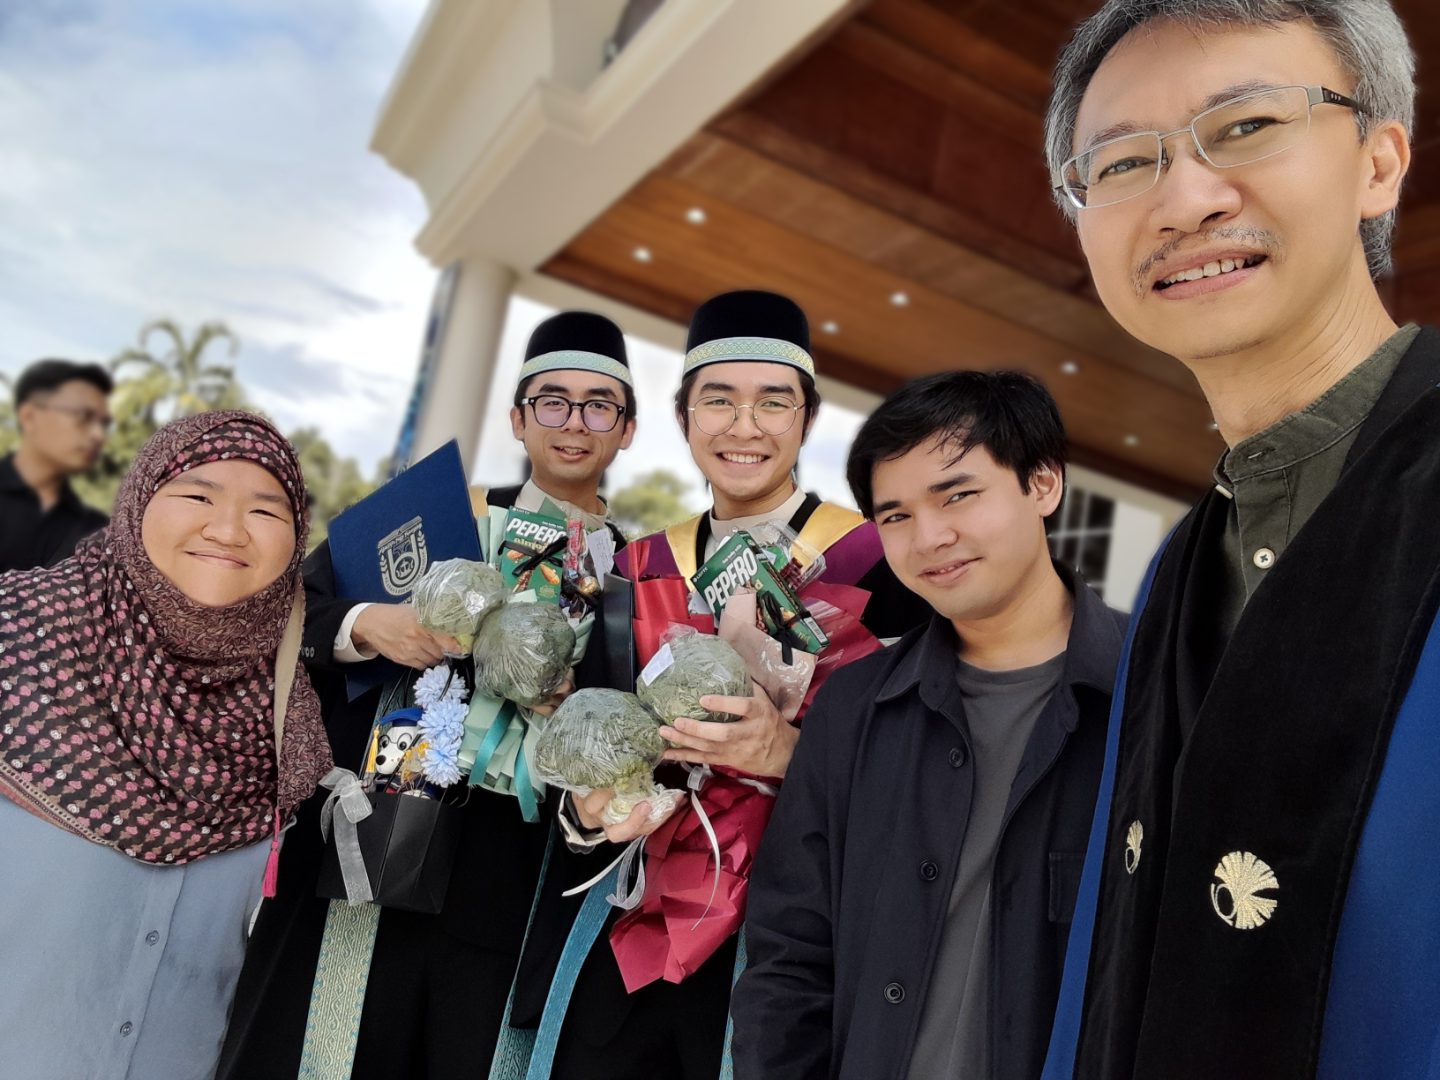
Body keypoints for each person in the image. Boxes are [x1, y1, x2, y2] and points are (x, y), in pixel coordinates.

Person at [1035, 3, 1438, 1077]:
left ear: (1379, 162)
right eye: (1123, 162)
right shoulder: (1182, 562)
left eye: (1248, 126)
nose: (1185, 199)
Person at [219, 310, 640, 1080]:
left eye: (599, 406)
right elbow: (281, 609)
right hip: (375, 828)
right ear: (518, 418)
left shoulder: (636, 578)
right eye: (552, 401)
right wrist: (371, 624)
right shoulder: (436, 515)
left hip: (520, 869)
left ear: (628, 429)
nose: (575, 423)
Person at [535, 289, 932, 1080]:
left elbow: (927, 767)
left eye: (773, 402)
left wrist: (789, 752)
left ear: (807, 419)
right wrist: (588, 810)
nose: (744, 428)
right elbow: (590, 744)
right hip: (633, 929)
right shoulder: (637, 567)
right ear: (684, 418)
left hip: (796, 943)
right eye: (718, 400)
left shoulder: (883, 567)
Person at [730, 370, 1126, 1080]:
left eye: (958, 495)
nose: (930, 538)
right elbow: (788, 954)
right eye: (896, 517)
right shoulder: (855, 707)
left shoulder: (1155, 694)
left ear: (1043, 484)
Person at [0, 410, 332, 1080]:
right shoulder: (17, 637)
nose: (229, 530)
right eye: (198, 495)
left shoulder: (291, 717)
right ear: (138, 499)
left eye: (266, 510)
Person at [1, 358, 112, 573]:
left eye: (103, 423)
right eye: (83, 415)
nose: (98, 434)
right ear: (30, 416)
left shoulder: (98, 532)